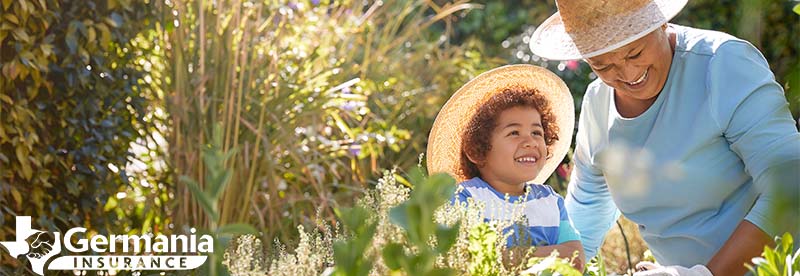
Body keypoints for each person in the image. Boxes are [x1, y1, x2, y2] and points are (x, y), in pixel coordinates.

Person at [529, 0, 800, 275]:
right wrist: (550, 265)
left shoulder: (721, 64)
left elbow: (790, 185)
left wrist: (704, 275)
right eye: (602, 66)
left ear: (659, 21)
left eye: (634, 53)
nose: (628, 74)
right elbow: (587, 209)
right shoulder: (598, 103)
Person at [426, 64, 585, 270]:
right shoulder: (466, 198)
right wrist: (549, 257)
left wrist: (511, 256)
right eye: (514, 133)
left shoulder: (551, 201)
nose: (530, 142)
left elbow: (576, 258)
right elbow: (467, 259)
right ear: (477, 150)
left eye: (537, 133)